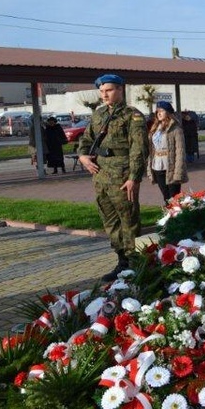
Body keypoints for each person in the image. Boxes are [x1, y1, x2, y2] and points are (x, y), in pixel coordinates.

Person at [77, 74, 148, 282]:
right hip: (100, 175)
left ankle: (136, 263)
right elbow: (86, 138)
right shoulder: (98, 114)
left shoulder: (132, 115)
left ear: (120, 90)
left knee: (128, 219)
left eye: (108, 90)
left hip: (122, 175)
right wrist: (82, 156)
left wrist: (134, 177)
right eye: (101, 91)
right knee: (109, 221)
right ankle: (121, 262)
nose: (104, 95)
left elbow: (139, 149)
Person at [147, 101, 188, 202]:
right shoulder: (155, 127)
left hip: (171, 166)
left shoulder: (176, 128)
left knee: (174, 198)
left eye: (162, 111)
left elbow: (180, 151)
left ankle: (177, 216)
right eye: (157, 111)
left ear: (168, 112)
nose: (159, 113)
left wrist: (178, 172)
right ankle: (169, 216)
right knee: (166, 197)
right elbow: (151, 149)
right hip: (157, 166)